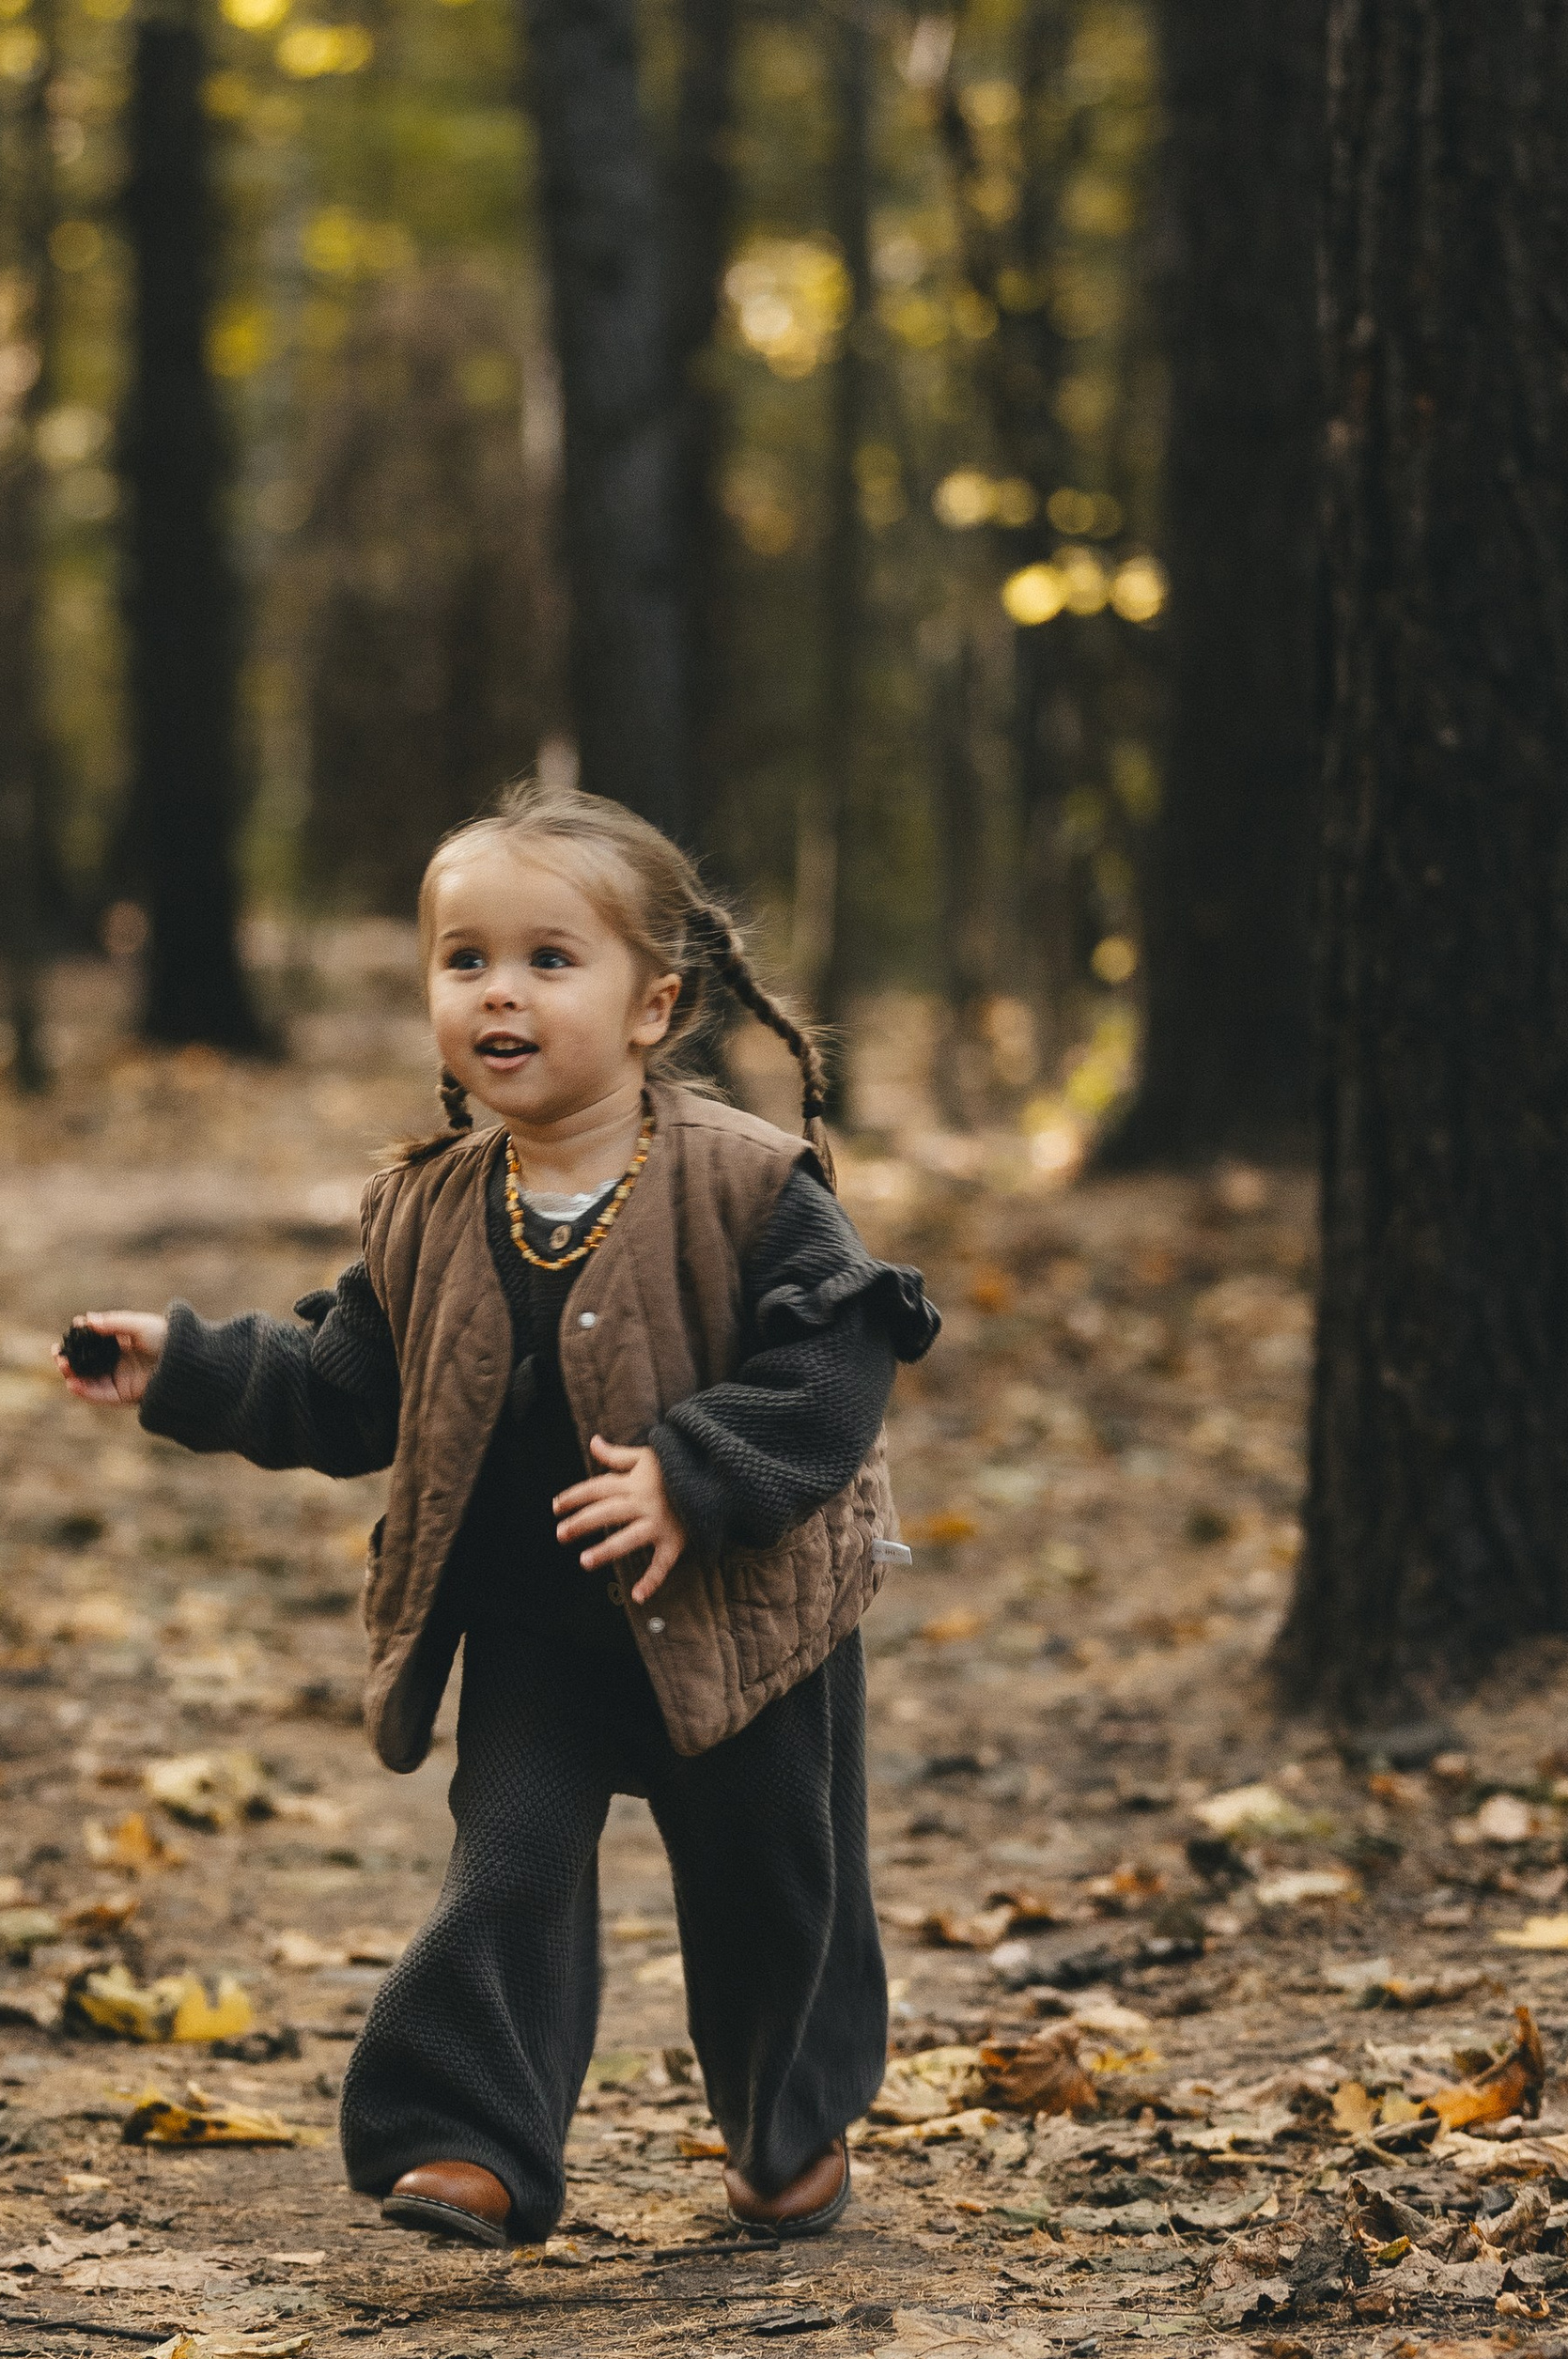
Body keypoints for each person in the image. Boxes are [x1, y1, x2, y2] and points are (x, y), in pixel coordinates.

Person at [58, 784, 939, 2250]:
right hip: (540, 1626)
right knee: (509, 1863)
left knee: (775, 1895)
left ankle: (788, 2133)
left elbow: (839, 1365)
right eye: (464, 961)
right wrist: (192, 1366)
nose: (499, 991)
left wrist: (694, 1471)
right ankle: (469, 2141)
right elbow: (347, 1390)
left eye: (548, 959)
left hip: (742, 1626)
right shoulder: (429, 1208)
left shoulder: (748, 1184)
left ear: (654, 1004)